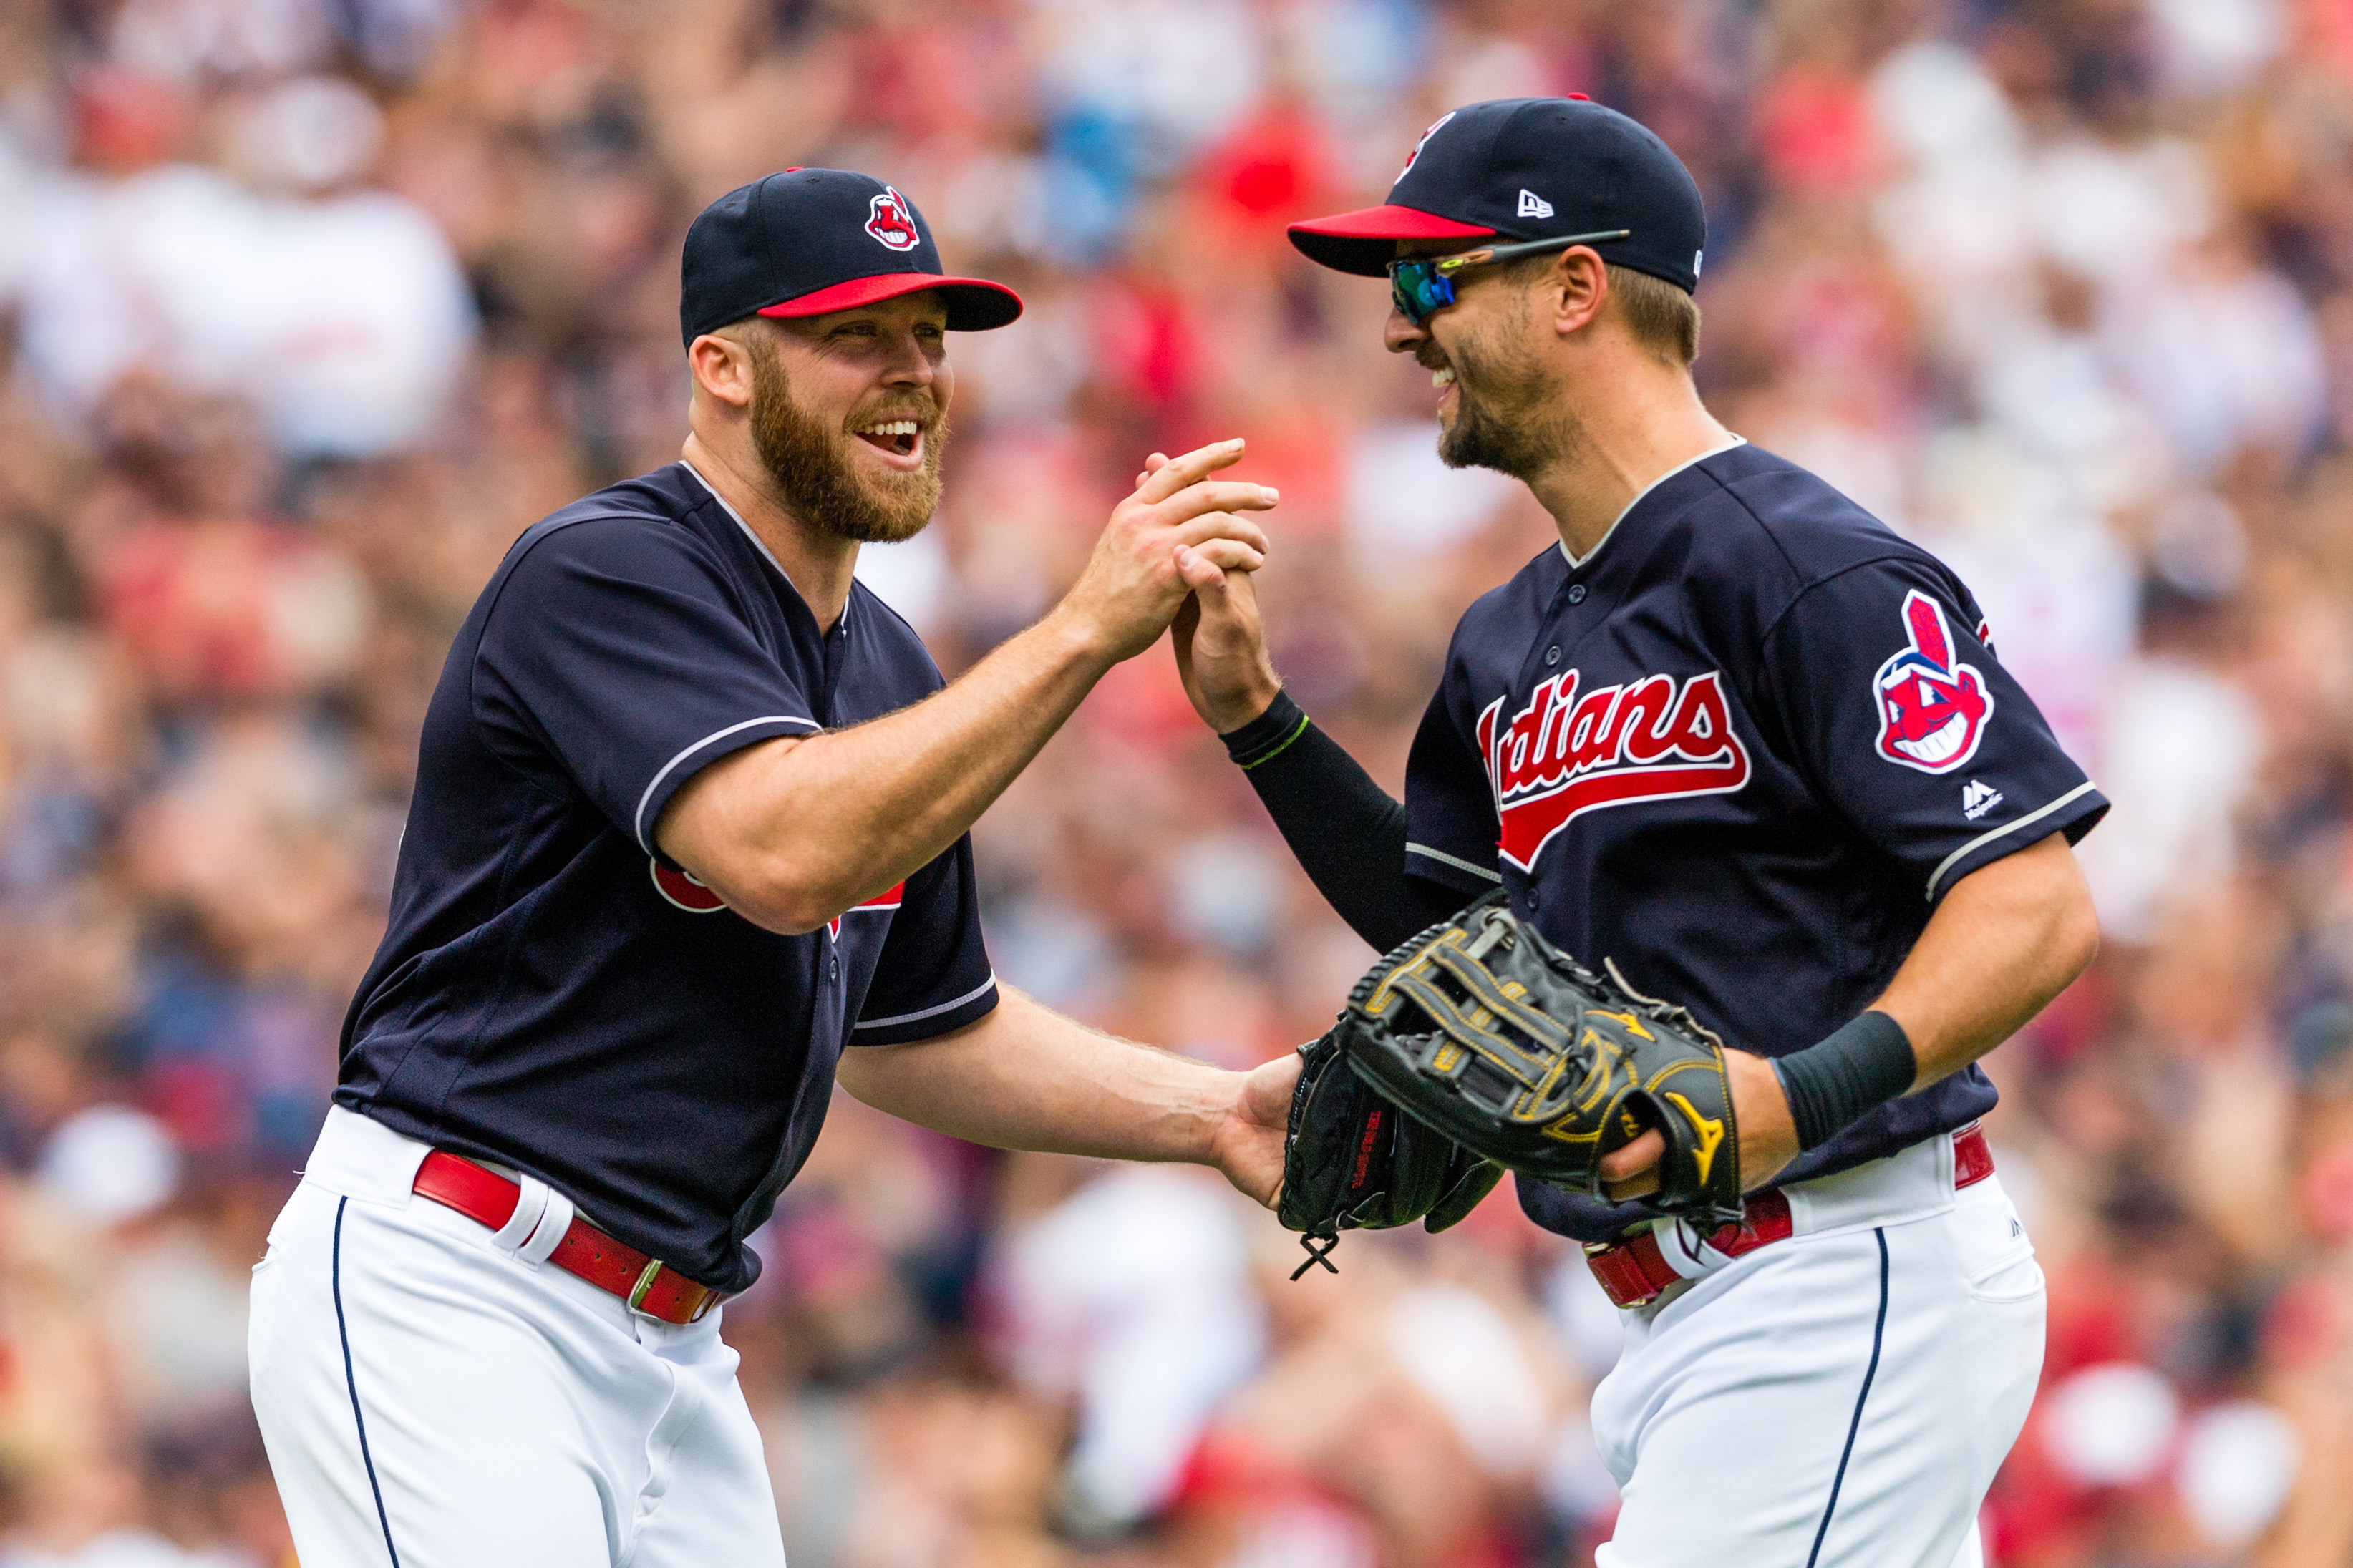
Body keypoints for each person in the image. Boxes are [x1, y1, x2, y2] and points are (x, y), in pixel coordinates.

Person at [247, 169, 1299, 1567]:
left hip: (672, 1339)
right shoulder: (606, 571)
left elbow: (923, 1029)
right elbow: (784, 854)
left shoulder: (887, 666)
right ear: (723, 368)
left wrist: (1212, 1111)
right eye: (856, 335)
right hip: (458, 1283)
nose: (913, 374)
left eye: (931, 336)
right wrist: (1082, 630)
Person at [1171, 99, 2105, 1567]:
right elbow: (1447, 939)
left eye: (1433, 280)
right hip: (1691, 1312)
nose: (1404, 330)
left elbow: (2035, 903)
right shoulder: (1509, 635)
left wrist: (1802, 1092)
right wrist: (1257, 720)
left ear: (1573, 288)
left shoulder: (1808, 567)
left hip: (1839, 1265)